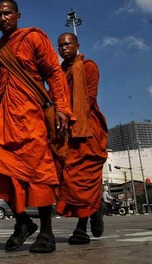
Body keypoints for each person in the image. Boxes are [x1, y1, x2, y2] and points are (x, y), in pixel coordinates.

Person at [0, 0, 72, 254]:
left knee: (39, 173)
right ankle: (23, 222)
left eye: (7, 13)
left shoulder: (33, 37)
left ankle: (47, 232)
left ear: (18, 15)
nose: (3, 18)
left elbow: (53, 72)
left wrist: (61, 107)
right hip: (1, 119)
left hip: (31, 117)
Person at [55, 32, 109, 244]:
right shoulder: (59, 72)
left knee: (85, 177)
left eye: (67, 44)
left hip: (87, 128)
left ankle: (81, 227)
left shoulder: (88, 67)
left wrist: (67, 110)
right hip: (66, 130)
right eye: (60, 46)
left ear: (77, 45)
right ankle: (96, 209)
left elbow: (89, 97)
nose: (64, 48)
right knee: (68, 178)